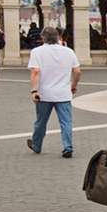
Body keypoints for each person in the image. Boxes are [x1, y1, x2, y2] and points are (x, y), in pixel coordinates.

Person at [26, 27, 82, 158]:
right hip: (63, 93)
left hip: (44, 93)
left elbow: (35, 72)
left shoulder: (37, 52)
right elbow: (78, 71)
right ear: (58, 37)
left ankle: (36, 145)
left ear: (43, 37)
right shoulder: (68, 51)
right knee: (66, 122)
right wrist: (73, 86)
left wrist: (34, 91)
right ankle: (67, 147)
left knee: (41, 122)